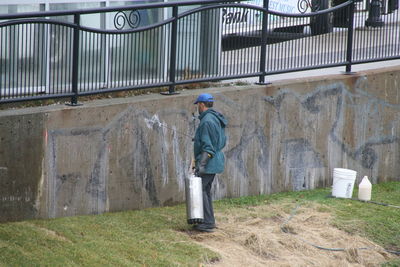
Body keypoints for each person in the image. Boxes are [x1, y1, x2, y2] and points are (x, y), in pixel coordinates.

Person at [193, 93, 227, 232]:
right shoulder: (214, 117)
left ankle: (207, 223)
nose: (197, 108)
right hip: (215, 160)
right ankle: (209, 220)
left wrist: (201, 165)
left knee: (201, 190)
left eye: (198, 105)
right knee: (205, 190)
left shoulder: (206, 121)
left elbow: (208, 147)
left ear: (201, 104)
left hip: (209, 162)